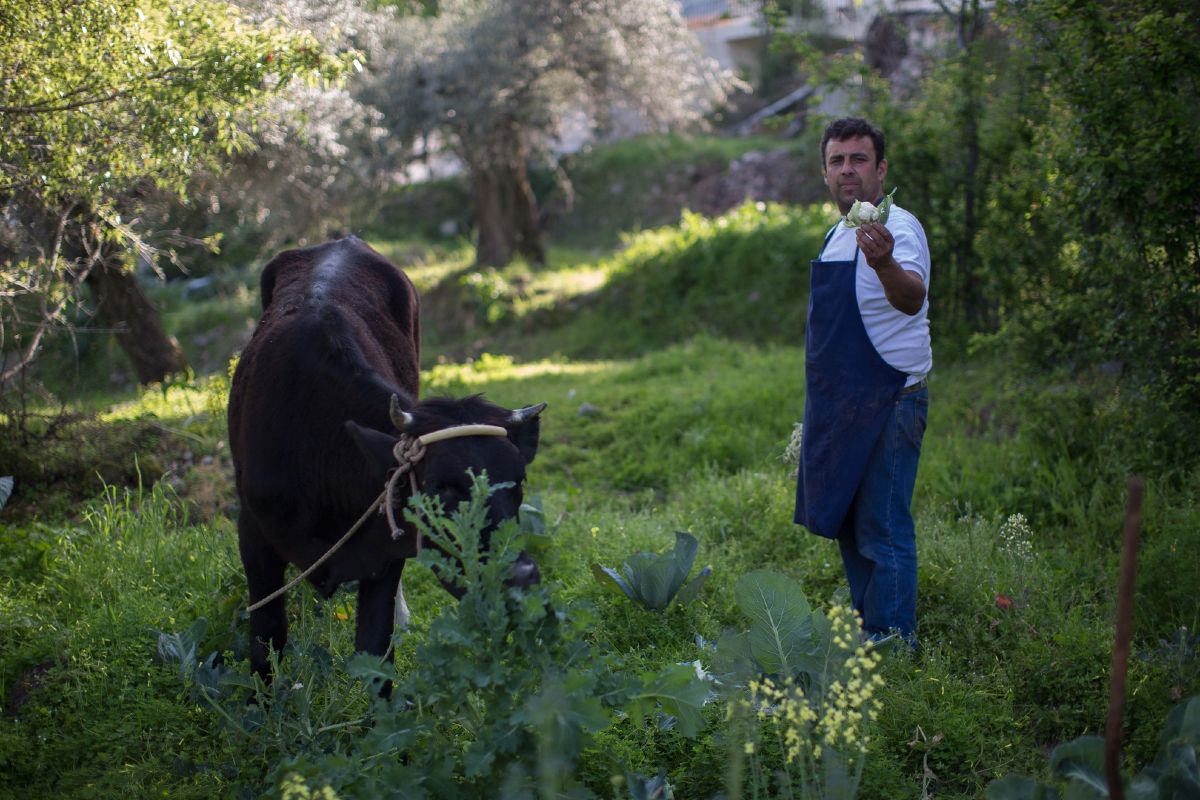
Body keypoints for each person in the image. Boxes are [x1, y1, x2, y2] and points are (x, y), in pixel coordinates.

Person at [794, 117, 932, 646]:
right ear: (825, 172)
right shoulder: (837, 233)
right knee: (850, 525)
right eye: (837, 160)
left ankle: (894, 644)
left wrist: (887, 263)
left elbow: (911, 296)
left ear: (881, 168)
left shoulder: (898, 228)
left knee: (883, 527)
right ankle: (869, 629)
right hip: (843, 402)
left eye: (858, 159)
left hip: (890, 398)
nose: (847, 170)